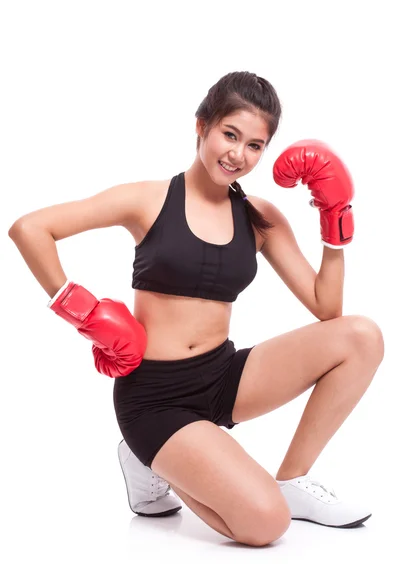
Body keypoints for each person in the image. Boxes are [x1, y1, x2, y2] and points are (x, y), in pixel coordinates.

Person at [8, 71, 384, 547]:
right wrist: (84, 313)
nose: (238, 155)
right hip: (155, 399)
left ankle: (292, 480)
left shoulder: (260, 217)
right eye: (230, 135)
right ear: (202, 125)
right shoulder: (147, 199)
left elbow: (327, 307)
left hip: (223, 377)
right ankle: (147, 455)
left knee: (362, 336)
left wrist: (335, 219)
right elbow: (30, 229)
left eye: (255, 145)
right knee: (265, 525)